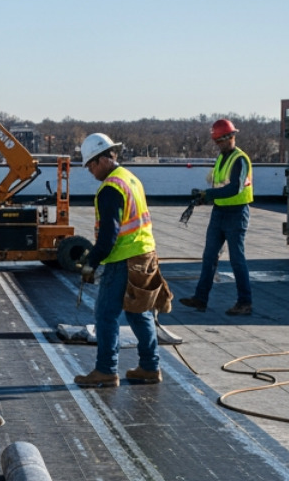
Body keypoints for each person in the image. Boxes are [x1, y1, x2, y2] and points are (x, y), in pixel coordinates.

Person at [72, 132, 166, 387]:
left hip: (123, 259)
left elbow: (108, 236)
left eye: (91, 165)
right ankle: (150, 367)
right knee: (139, 312)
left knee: (105, 314)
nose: (90, 171)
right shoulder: (130, 178)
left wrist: (91, 262)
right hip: (144, 254)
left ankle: (106, 370)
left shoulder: (111, 188)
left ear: (103, 159)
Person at [181, 118, 254, 316]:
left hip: (236, 213)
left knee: (237, 259)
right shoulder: (221, 158)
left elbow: (234, 188)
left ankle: (245, 302)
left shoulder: (240, 159)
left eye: (220, 140)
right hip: (219, 212)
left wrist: (209, 195)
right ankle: (200, 298)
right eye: (216, 141)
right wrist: (204, 197)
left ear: (230, 137)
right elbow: (219, 186)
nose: (218, 144)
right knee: (209, 257)